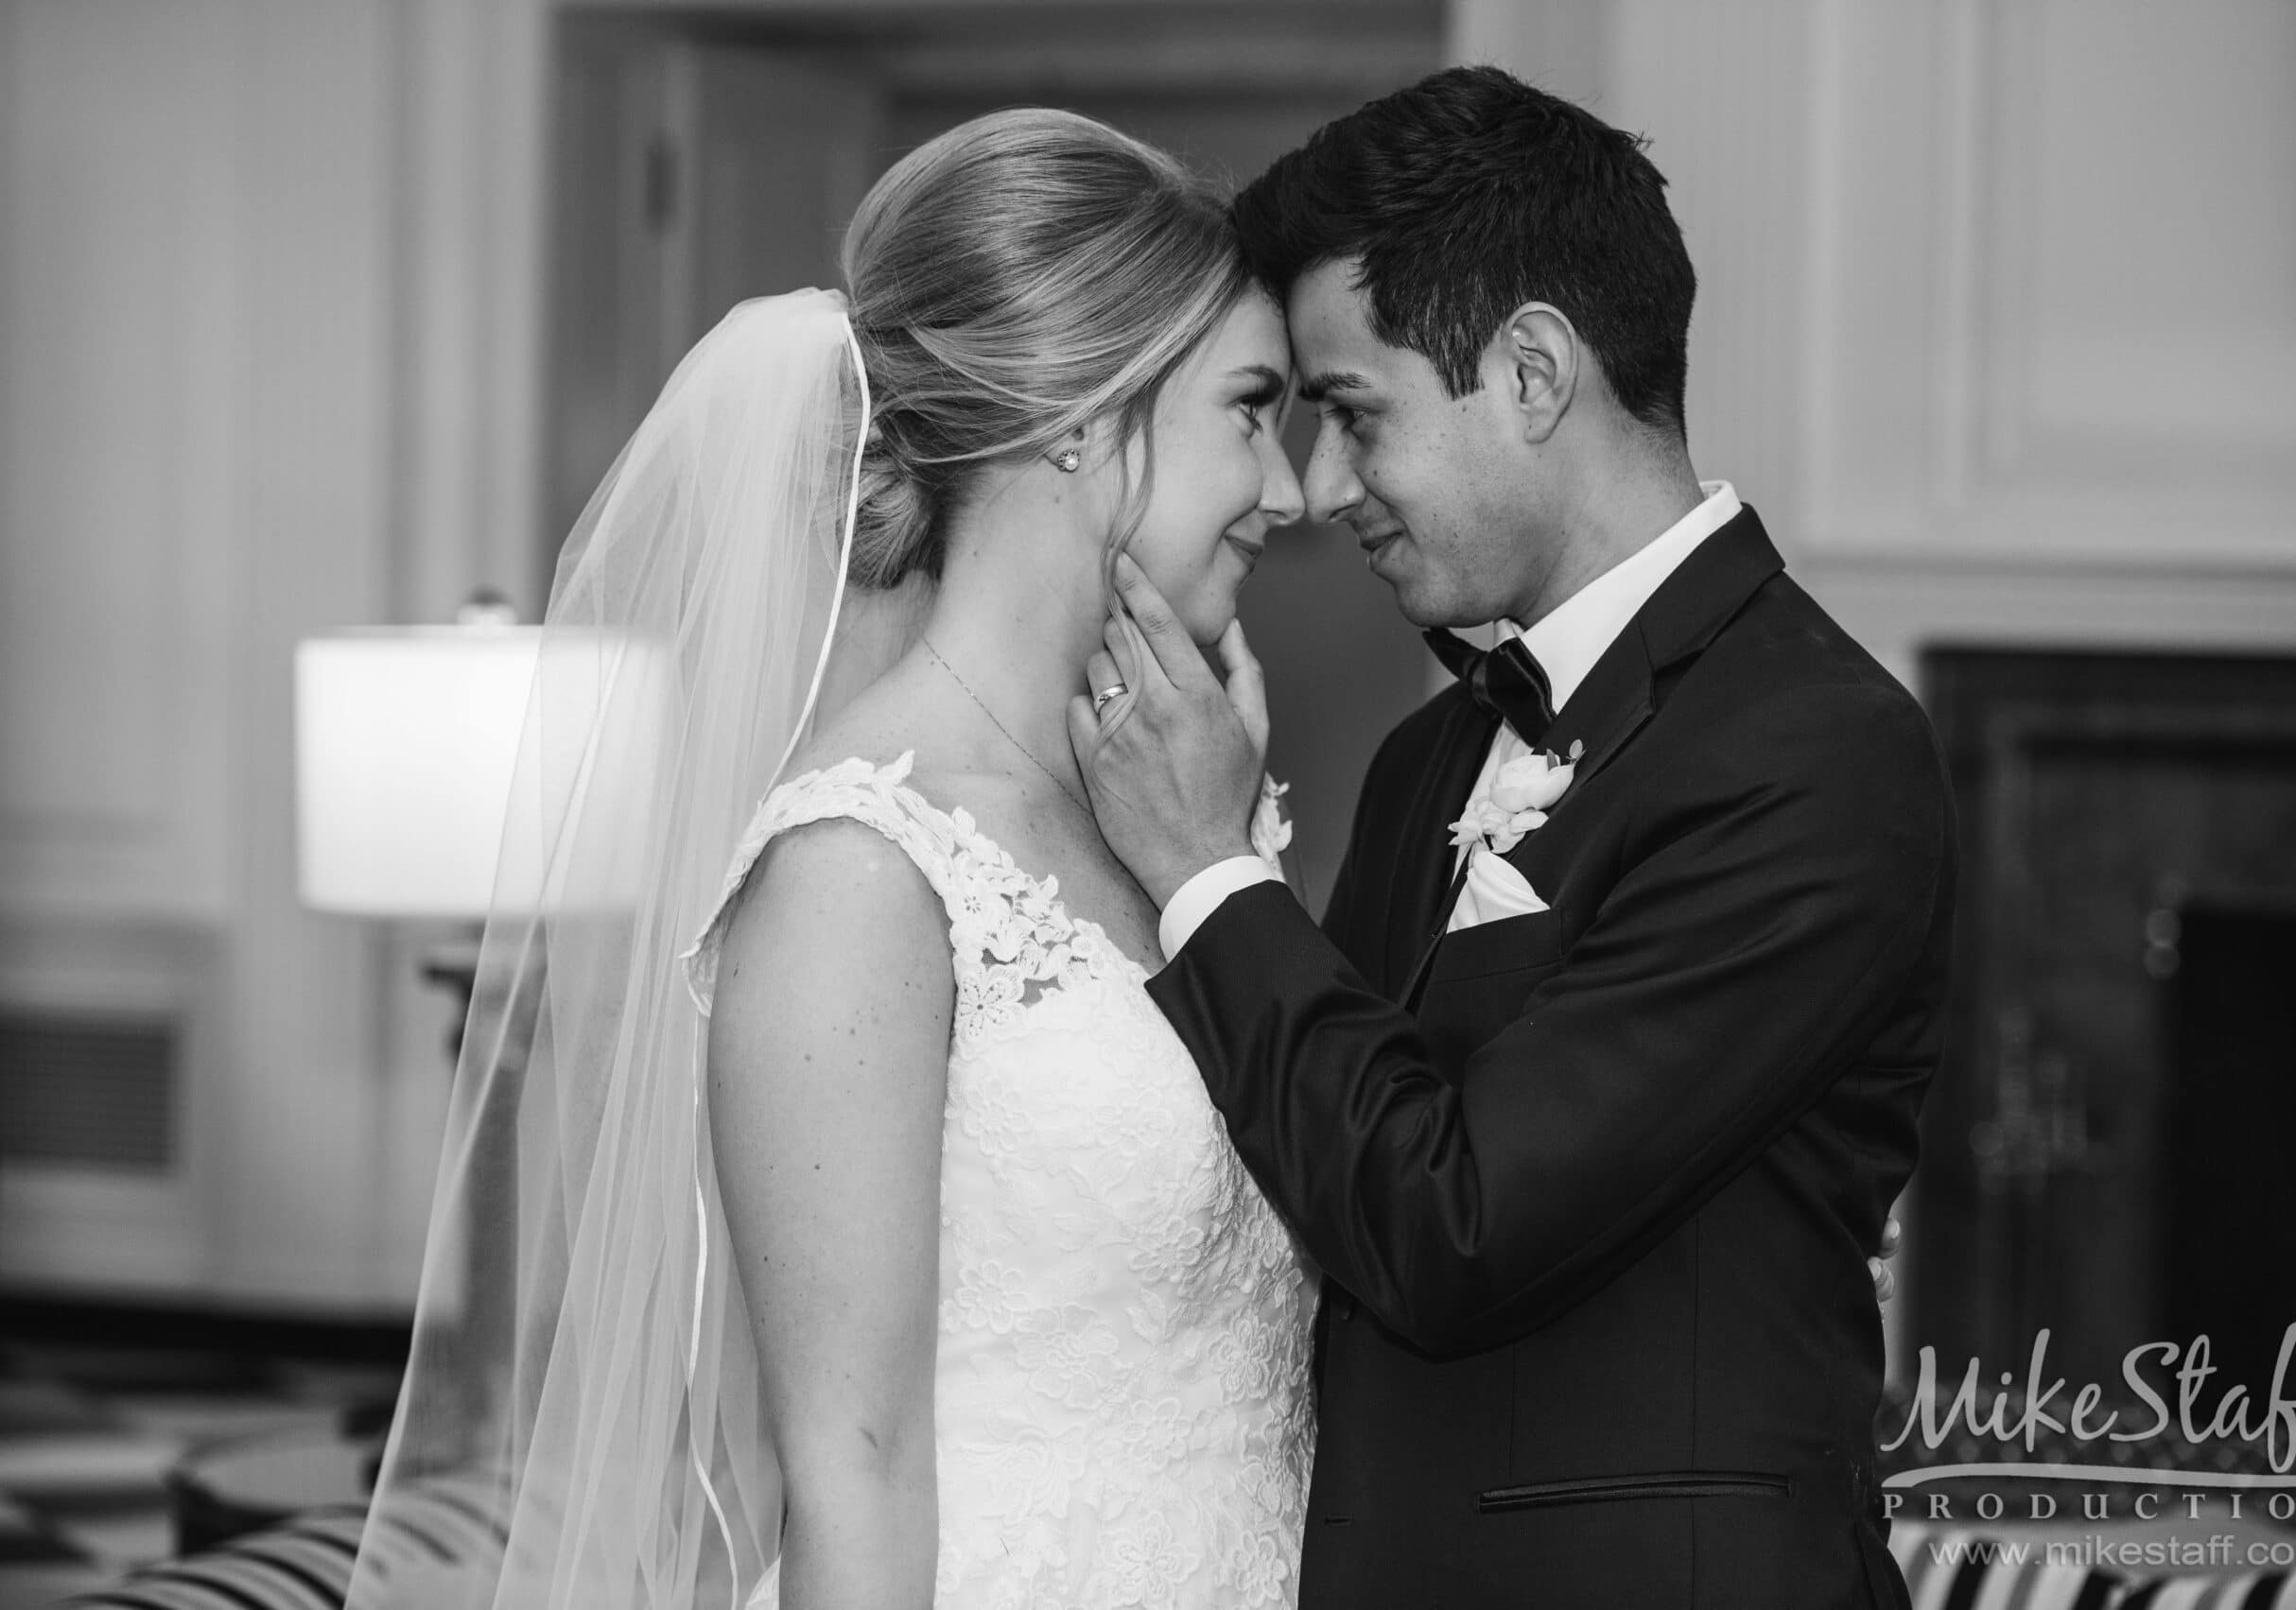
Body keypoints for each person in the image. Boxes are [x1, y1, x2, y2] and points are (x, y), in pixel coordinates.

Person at [350, 108, 1314, 1610]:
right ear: (1080, 409)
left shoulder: (1192, 795)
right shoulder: (861, 865)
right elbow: (852, 1464)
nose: (1295, 490)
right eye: (1253, 410)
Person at [1072, 67, 1957, 1610]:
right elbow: (1326, 1165)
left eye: (1354, 413)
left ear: (1533, 372)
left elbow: (1453, 1224)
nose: (1320, 489)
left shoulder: (1816, 753)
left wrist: (1211, 871)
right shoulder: (1432, 752)